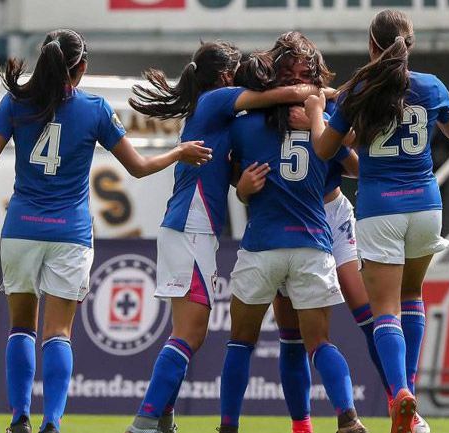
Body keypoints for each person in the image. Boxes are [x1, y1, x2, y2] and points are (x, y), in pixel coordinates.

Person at [0, 29, 211, 433]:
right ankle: (52, 422)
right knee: (58, 333)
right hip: (69, 234)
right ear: (82, 67)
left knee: (21, 326)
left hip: (21, 229)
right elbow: (139, 169)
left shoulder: (16, 102)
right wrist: (179, 150)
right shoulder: (94, 109)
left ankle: (19, 419)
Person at [125, 41, 327, 433]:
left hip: (185, 226)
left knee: (182, 331)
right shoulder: (218, 98)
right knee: (191, 333)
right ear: (224, 76)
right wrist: (322, 97)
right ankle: (145, 421)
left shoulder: (212, 112)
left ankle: (163, 417)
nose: (247, 78)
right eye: (239, 70)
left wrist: (242, 183)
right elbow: (285, 94)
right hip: (192, 228)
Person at [306, 9, 449, 433]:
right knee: (413, 297)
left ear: (372, 45)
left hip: (381, 210)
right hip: (427, 208)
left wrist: (318, 111)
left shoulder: (359, 89)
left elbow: (325, 149)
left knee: (386, 312)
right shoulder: (431, 86)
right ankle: (409, 404)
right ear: (408, 45)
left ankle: (399, 394)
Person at [268, 31, 419, 433]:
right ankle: (302, 424)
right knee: (291, 333)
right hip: (288, 221)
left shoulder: (331, 103)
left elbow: (355, 166)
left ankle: (399, 402)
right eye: (290, 74)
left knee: (368, 312)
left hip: (332, 215)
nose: (298, 82)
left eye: (306, 73)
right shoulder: (261, 112)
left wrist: (328, 124)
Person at [219, 47, 367, 433]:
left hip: (262, 245)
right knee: (319, 343)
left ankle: (229, 426)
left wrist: (241, 188)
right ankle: (348, 417)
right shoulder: (324, 126)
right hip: (312, 245)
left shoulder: (244, 125)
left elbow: (229, 172)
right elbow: (355, 169)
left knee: (240, 342)